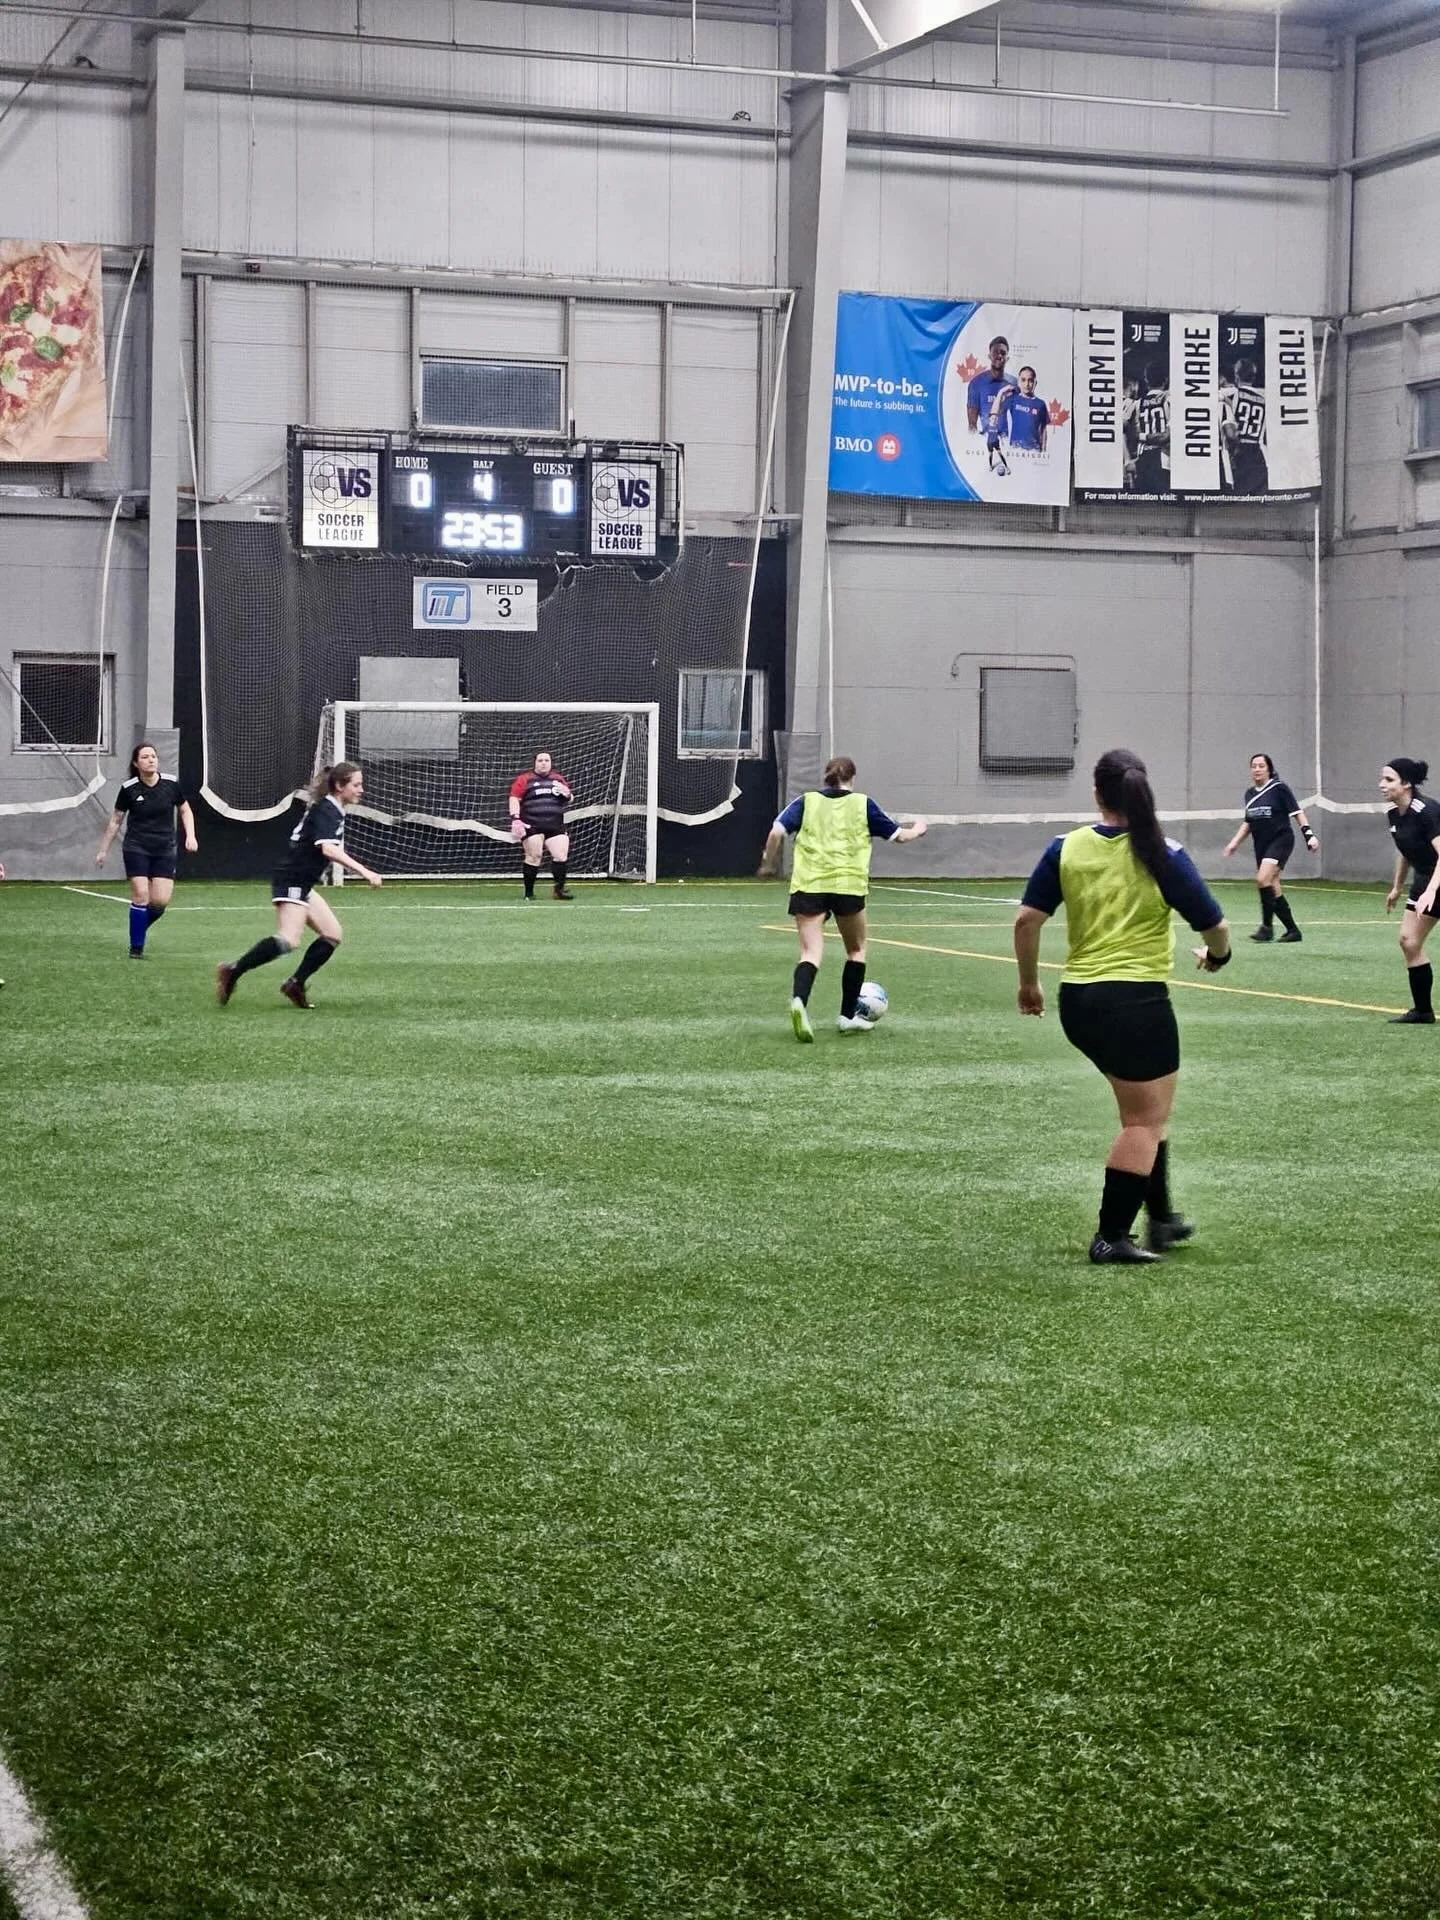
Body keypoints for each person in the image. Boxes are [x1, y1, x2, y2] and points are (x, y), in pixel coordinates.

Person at [1013, 747, 1231, 1264]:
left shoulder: (1064, 848)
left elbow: (1026, 921)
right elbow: (1215, 927)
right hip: (1137, 1002)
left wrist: (1029, 985)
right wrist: (1218, 957)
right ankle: (1111, 1236)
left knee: (1145, 1113)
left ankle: (1160, 1218)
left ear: (1097, 793)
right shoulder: (1163, 852)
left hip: (1079, 1000)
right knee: (1144, 1122)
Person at [760, 754, 927, 1040]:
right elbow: (899, 836)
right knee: (856, 950)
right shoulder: (863, 804)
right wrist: (918, 830)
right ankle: (848, 1016)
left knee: (811, 952)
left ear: (826, 777)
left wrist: (768, 861)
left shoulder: (806, 801)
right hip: (848, 886)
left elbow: (776, 831)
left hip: (809, 885)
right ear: (852, 778)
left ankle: (800, 1001)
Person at [215, 762, 380, 1009]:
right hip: (292, 880)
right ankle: (233, 970)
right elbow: (328, 849)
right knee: (288, 940)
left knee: (332, 934)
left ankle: (295, 983)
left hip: (302, 883)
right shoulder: (327, 809)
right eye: (356, 784)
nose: (361, 790)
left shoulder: (333, 809)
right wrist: (365, 871)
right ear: (339, 786)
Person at [94, 741, 198, 957]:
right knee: (141, 895)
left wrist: (191, 836)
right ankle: (136, 947)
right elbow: (115, 820)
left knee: (160, 901)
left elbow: (185, 810)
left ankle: (138, 927)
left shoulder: (171, 784)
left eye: (153, 756)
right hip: (136, 847)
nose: (150, 760)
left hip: (164, 848)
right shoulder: (129, 788)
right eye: (145, 757)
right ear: (136, 763)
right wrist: (103, 849)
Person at [1222, 753, 1319, 942]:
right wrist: (1234, 843)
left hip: (1281, 840)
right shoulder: (1249, 794)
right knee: (1272, 886)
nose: (1257, 769)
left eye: (1261, 766)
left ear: (1269, 769)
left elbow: (1297, 813)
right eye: (1254, 766)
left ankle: (1267, 928)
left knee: (1262, 879)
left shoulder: (1279, 788)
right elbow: (1248, 822)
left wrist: (1309, 836)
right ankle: (1293, 930)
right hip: (1262, 844)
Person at [1380, 756, 1440, 1025]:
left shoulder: (1425, 811)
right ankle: (1423, 1011)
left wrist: (1432, 891)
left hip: (1435, 880)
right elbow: (1405, 852)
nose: (1382, 784)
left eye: (1389, 779)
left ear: (1406, 784)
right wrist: (1396, 887)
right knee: (1409, 940)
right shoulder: (1394, 815)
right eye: (1383, 779)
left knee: (1410, 940)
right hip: (1425, 879)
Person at [509, 750, 574, 900]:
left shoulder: (558, 779)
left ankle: (559, 891)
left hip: (555, 825)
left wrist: (568, 795)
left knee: (561, 855)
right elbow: (514, 798)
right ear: (535, 763)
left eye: (546, 760)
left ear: (551, 763)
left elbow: (569, 798)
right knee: (534, 856)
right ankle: (529, 893)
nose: (544, 763)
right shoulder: (524, 779)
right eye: (540, 760)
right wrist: (515, 818)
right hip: (532, 824)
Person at [966, 335, 1017, 437]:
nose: (999, 356)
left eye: (1003, 353)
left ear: (1007, 358)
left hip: (1009, 445)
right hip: (985, 442)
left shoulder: (1015, 384)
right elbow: (972, 424)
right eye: (995, 352)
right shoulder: (976, 383)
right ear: (989, 356)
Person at [993, 365, 1049, 455]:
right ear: (1018, 382)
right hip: (1016, 450)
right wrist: (1001, 393)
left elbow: (1043, 430)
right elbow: (994, 413)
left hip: (1034, 451)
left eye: (1030, 380)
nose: (1026, 384)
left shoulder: (1040, 404)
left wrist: (1043, 451)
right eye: (1023, 380)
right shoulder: (1013, 400)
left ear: (1035, 383)